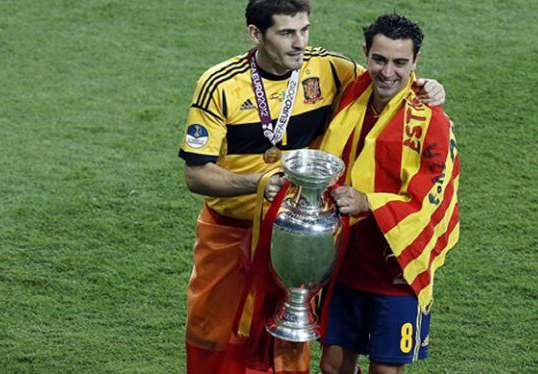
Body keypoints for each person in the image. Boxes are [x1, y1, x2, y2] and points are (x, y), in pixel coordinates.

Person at [178, 1, 446, 373]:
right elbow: (196, 174)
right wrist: (257, 184)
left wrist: (426, 84)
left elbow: (386, 79)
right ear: (257, 34)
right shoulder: (219, 84)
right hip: (231, 237)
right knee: (216, 340)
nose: (299, 42)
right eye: (287, 33)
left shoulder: (329, 68)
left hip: (301, 238)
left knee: (289, 342)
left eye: (305, 30)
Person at [314, 13, 460, 374]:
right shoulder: (351, 93)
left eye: (400, 62)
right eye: (379, 59)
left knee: (385, 370)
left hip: (397, 267)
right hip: (344, 256)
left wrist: (368, 201)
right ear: (365, 53)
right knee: (332, 365)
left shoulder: (430, 120)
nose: (388, 72)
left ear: (416, 62)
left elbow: (432, 196)